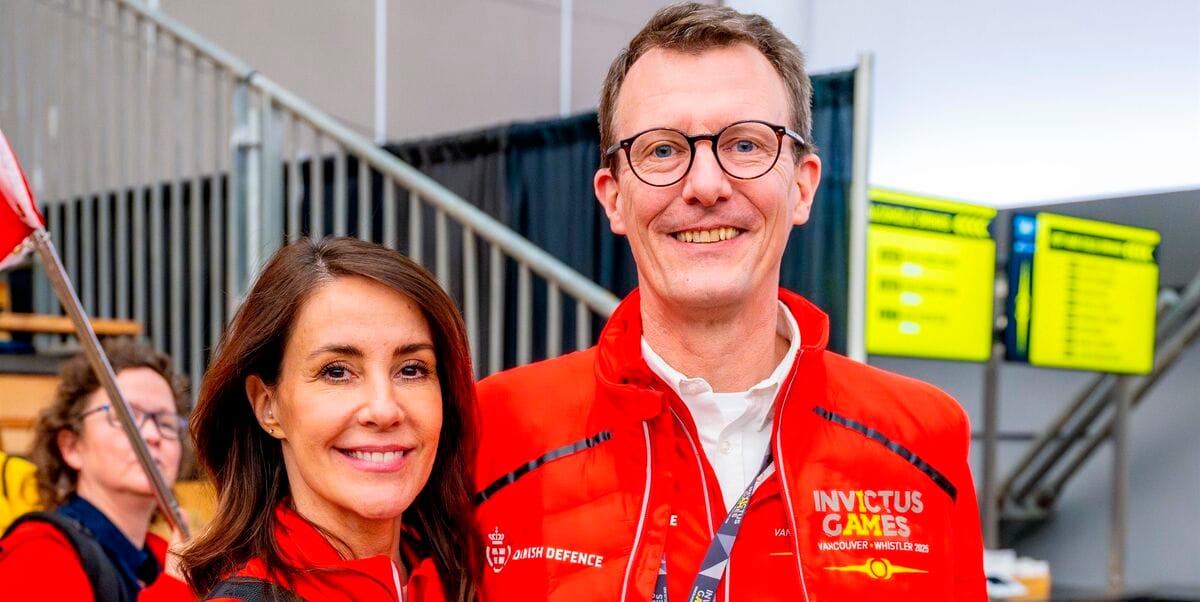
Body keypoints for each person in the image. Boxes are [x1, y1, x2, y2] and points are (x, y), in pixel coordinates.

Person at [473, 3, 986, 600]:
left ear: (801, 186)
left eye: (744, 145)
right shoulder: (493, 430)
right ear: (613, 198)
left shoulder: (922, 437)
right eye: (662, 150)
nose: (707, 186)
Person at [179, 237, 484, 602]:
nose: (384, 409)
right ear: (267, 406)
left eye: (411, 369)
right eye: (337, 372)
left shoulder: (470, 574)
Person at [0, 340, 194, 600]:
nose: (151, 435)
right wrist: (174, 588)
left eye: (167, 423)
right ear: (71, 446)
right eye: (125, 417)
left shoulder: (163, 556)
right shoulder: (37, 552)